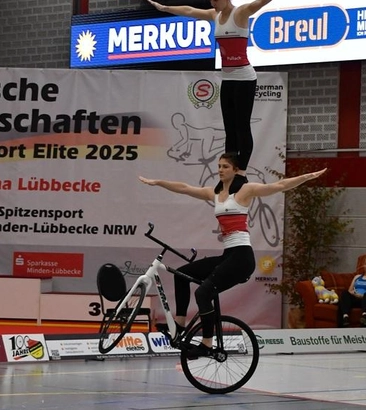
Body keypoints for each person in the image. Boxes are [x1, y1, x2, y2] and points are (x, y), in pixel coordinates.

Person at [139, 152, 325, 357]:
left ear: (236, 170)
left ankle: (207, 344)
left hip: (242, 258)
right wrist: (158, 182)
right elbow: (184, 188)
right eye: (219, 166)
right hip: (228, 255)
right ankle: (180, 324)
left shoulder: (245, 191)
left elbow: (279, 186)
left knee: (203, 293)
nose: (220, 170)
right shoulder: (215, 193)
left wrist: (306, 177)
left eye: (225, 166)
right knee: (181, 274)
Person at [147, 0, 287, 192]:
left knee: (242, 127)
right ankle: (229, 174)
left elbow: (260, 1)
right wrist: (164, 8)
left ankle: (241, 173)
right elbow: (190, 11)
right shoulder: (215, 15)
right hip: (228, 79)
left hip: (244, 78)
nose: (212, 4)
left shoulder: (240, 13)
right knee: (229, 130)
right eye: (210, 0)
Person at [337, 256, 366, 327]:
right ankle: (345, 317)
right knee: (344, 293)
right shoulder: (357, 277)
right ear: (363, 265)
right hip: (355, 298)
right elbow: (350, 291)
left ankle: (364, 316)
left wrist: (362, 296)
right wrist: (355, 294)